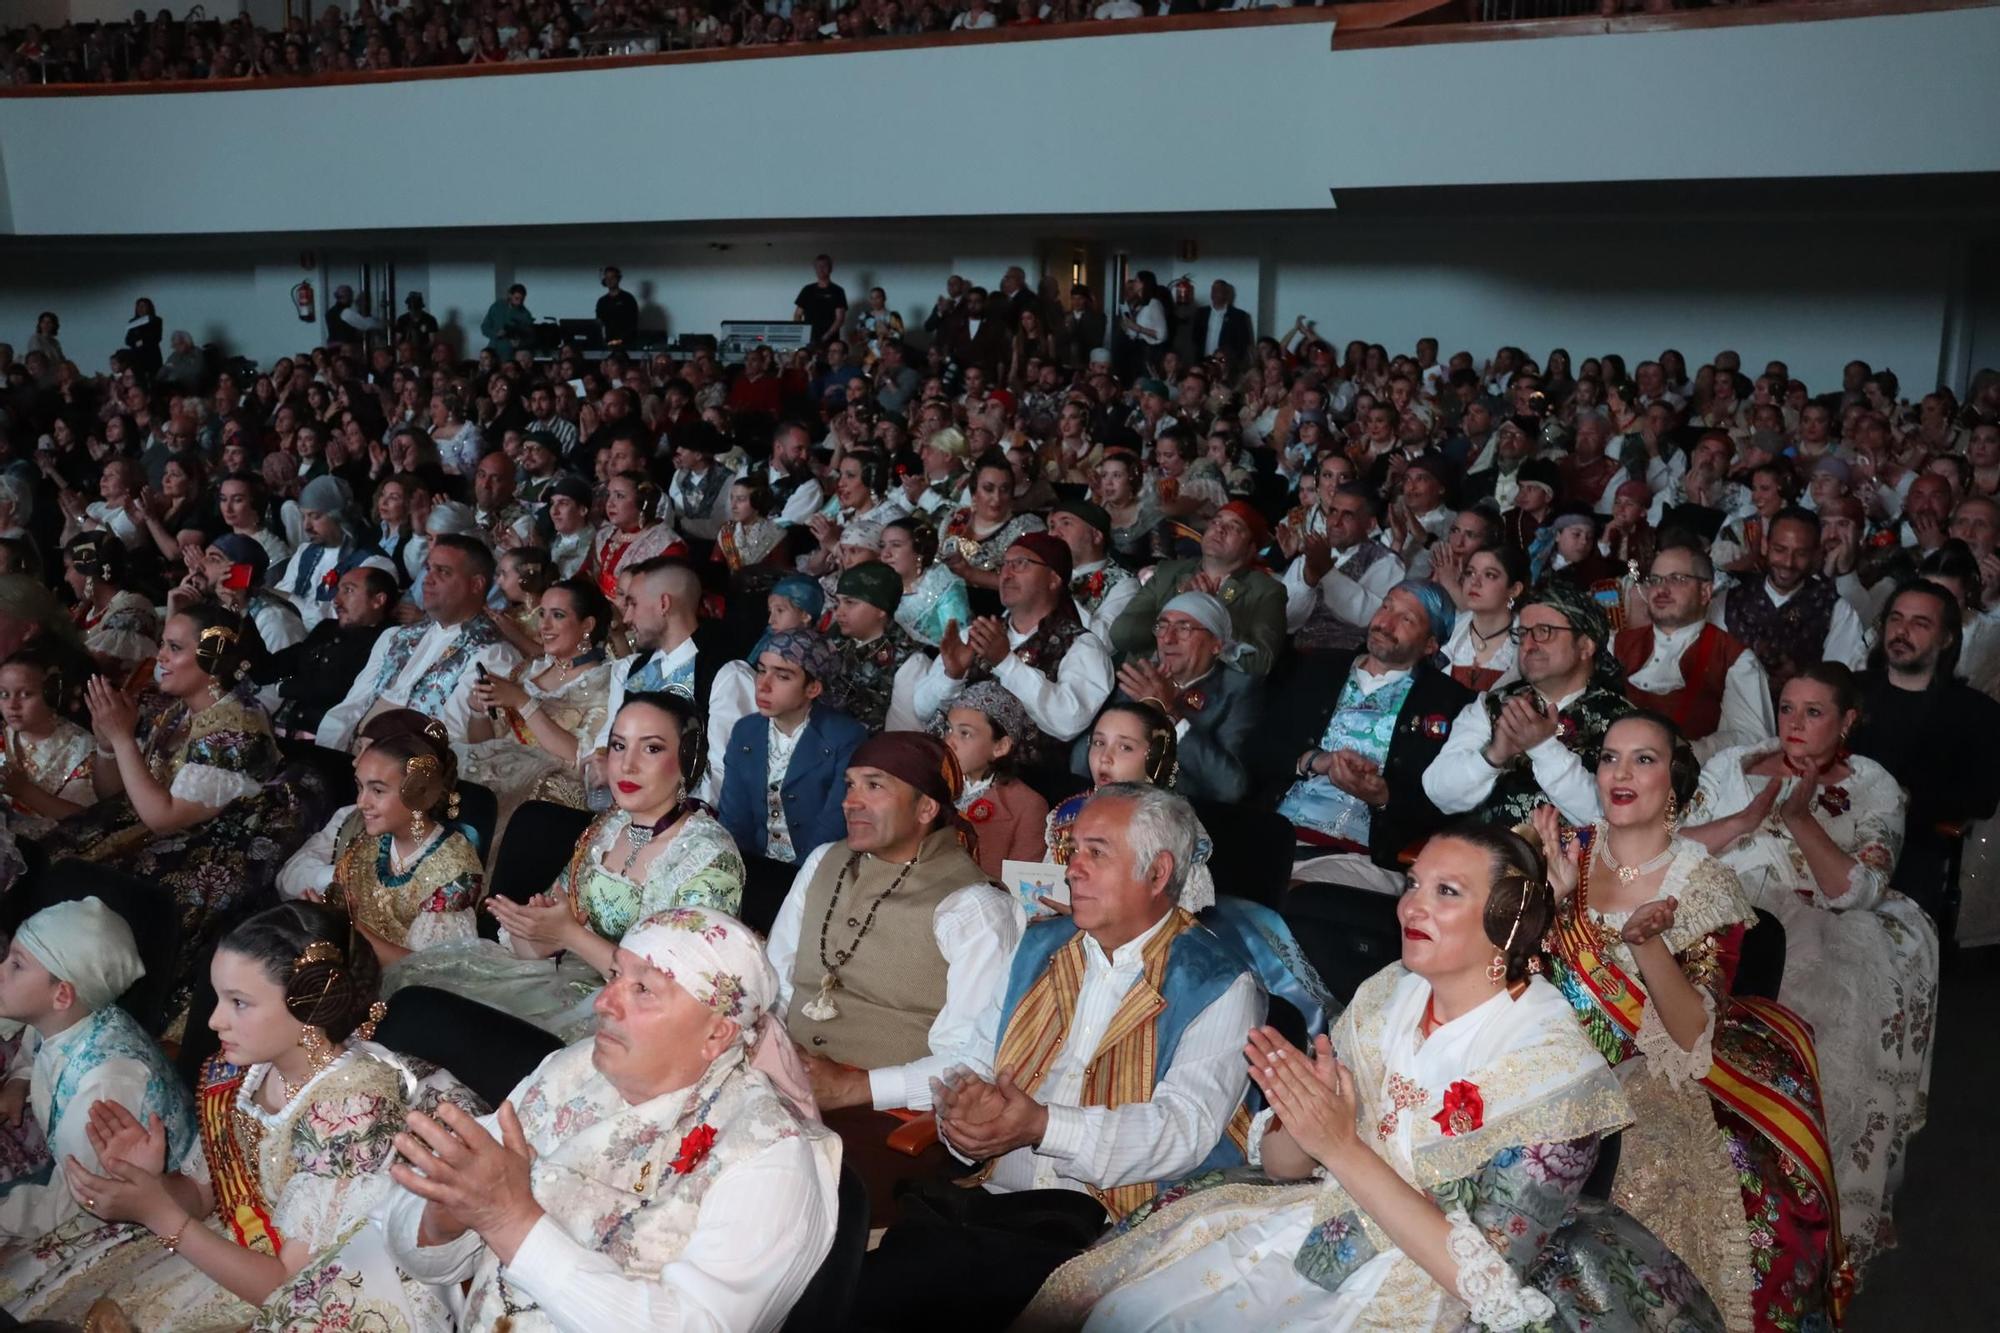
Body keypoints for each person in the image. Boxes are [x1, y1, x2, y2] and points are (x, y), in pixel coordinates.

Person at [1016, 821, 1723, 1333]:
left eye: (1445, 891)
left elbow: (1489, 1281)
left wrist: (1344, 1146)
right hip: (1323, 1220)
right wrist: (1306, 1123)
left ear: (1508, 922)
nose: (1411, 905)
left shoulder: (1552, 1061)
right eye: (1414, 884)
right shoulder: (1389, 992)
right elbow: (1283, 1163)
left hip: (1443, 1278)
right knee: (1126, 1310)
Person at [857, 782, 1266, 1332]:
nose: (1073, 868)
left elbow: (1181, 1133)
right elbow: (973, 1060)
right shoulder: (1038, 945)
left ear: (1158, 872)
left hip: (1117, 1231)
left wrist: (1042, 1127)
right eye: (1073, 850)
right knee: (868, 1295)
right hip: (990, 1202)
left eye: (1097, 852)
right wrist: (964, 1117)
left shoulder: (1219, 984)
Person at [0, 903, 463, 1330]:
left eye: (238, 1002)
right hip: (235, 1245)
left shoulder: (348, 1111)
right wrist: (152, 1183)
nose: (213, 1021)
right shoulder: (239, 1072)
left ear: (311, 1006)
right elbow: (205, 1195)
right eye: (219, 998)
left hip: (312, 1283)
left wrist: (161, 1216)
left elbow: (291, 1287)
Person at [381, 909, 840, 1333]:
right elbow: (421, 1249)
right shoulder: (572, 1070)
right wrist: (444, 1217)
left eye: (644, 989)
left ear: (717, 1033)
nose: (604, 1002)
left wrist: (508, 1220)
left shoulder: (766, 1156)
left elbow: (699, 1325)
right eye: (616, 974)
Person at [1537, 716, 1844, 1331]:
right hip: (1540, 1055)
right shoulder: (1559, 846)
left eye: (1643, 759)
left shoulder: (1703, 884)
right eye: (1609, 758)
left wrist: (1647, 946)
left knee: (1634, 1188)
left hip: (1650, 1080)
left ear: (1673, 781)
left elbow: (1688, 1038)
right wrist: (1553, 898)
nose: (1620, 772)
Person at [1683, 663, 1936, 1270]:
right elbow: (1679, 845)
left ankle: (1810, 1198)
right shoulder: (1734, 765)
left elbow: (1859, 889)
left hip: (1822, 917)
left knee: (1831, 1008)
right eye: (1788, 708)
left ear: (1848, 720)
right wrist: (1747, 821)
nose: (1794, 724)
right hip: (1724, 903)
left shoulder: (1874, 784)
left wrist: (1799, 818)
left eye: (1814, 712)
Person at [388, 692, 744, 1040]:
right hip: (557, 986)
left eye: (651, 748)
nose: (627, 764)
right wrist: (534, 932)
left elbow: (677, 992)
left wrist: (570, 935)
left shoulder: (709, 857)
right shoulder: (609, 827)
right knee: (419, 1001)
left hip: (638, 1028)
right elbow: (542, 945)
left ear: (689, 761)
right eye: (619, 746)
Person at [40, 606, 294, 1020]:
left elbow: (162, 816)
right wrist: (107, 741)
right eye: (163, 644)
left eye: (174, 648)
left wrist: (123, 738)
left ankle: (78, 1001)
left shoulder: (237, 727)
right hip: (154, 830)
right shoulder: (175, 709)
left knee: (82, 877)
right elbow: (113, 793)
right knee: (53, 851)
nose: (159, 657)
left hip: (204, 851)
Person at [766, 732, 1019, 1116]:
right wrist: (773, 1052)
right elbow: (775, 982)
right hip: (784, 1081)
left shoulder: (974, 908)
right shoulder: (823, 862)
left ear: (926, 808)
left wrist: (857, 1087)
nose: (850, 802)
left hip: (886, 1117)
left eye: (874, 786)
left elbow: (972, 1059)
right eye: (850, 785)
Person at [0, 898, 195, 1242]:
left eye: (16, 965)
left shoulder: (102, 1086)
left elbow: (79, 1196)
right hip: (74, 1165)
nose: (1, 970)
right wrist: (19, 1080)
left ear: (62, 994)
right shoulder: (71, 1018)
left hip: (120, 1204)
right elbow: (38, 1040)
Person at [1263, 580, 1473, 890]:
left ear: (1430, 645)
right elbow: (1257, 748)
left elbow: (1446, 808)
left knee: (1291, 893)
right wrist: (1314, 761)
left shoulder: (1449, 704)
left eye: (1406, 619)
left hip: (1360, 855)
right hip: (1276, 833)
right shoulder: (1317, 668)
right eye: (1386, 606)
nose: (1385, 623)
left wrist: (1383, 797)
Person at [1848, 578, 2000, 928]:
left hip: (1913, 842)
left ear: (1946, 638)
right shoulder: (1849, 690)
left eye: (1920, 623)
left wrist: (1904, 800)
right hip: (1836, 825)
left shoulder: (1977, 713)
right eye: (1896, 619)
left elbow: (1982, 799)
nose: (1902, 631)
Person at [1424, 581, 1632, 826]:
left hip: (1570, 861)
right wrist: (1494, 755)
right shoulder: (1492, 704)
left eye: (1544, 631)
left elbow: (1611, 816)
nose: (1529, 645)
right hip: (1482, 857)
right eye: (1522, 634)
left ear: (1585, 645)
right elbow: (1438, 792)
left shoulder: (1625, 722)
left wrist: (1542, 747)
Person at [917, 533, 1115, 765]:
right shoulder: (975, 634)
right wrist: (952, 676)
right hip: (941, 766)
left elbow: (1068, 722)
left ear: (1053, 579)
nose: (1006, 574)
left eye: (1020, 564)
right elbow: (921, 710)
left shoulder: (1082, 647)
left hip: (1018, 785)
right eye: (1004, 565)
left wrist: (1006, 663)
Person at [316, 534, 523, 751]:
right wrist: (327, 756)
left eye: (443, 572)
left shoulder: (491, 653)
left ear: (476, 584)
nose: (427, 579)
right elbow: (351, 708)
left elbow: (455, 740)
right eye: (428, 568)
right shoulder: (394, 637)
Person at [459, 575, 616, 831]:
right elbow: (484, 746)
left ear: (587, 625)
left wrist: (523, 702)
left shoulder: (605, 683)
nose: (544, 625)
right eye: (542, 614)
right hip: (494, 781)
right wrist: (478, 710)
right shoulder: (528, 670)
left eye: (558, 615)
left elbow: (579, 758)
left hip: (544, 801)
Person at [325, 729, 484, 970]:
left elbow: (430, 971)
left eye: (377, 791)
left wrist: (350, 928)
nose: (361, 802)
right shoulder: (366, 841)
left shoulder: (454, 869)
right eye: (360, 787)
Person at [1089, 590, 1260, 804]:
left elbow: (1230, 787)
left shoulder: (1237, 690)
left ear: (1216, 644)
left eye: (1184, 628)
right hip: (1118, 801)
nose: (1167, 639)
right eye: (1162, 627)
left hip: (1185, 815)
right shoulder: (1142, 678)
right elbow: (1080, 763)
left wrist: (1169, 713)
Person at [718, 631, 866, 865]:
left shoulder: (844, 738)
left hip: (816, 870)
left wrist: (796, 880)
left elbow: (833, 826)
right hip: (754, 866)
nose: (763, 685)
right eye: (762, 670)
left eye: (783, 676)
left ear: (813, 689)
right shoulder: (745, 731)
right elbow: (733, 819)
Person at [1616, 541, 1774, 761]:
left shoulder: (1735, 659)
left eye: (1677, 579)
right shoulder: (1616, 645)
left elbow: (1754, 741)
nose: (1661, 589)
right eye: (1655, 580)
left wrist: (1691, 751)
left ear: (1705, 592)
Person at [1710, 507, 1869, 705]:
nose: (1788, 562)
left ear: (1817, 554)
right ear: (1766, 545)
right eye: (1780, 549)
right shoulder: (1729, 600)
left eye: (1800, 553)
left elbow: (1844, 683)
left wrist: (1801, 678)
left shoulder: (1835, 608)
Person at [1114, 501, 1287, 675]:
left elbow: (1262, 663)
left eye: (1234, 527)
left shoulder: (1267, 591)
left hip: (1209, 694)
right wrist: (1177, 606)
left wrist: (1213, 611)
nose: (1220, 529)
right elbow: (1121, 634)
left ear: (1251, 548)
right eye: (1216, 522)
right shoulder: (1167, 572)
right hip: (1148, 679)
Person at [250, 564, 393, 737]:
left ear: (378, 600)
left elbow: (337, 688)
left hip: (329, 744)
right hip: (286, 732)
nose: (336, 600)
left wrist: (285, 687)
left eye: (348, 590)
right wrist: (242, 612)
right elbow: (265, 671)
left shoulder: (389, 642)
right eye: (338, 590)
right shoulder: (327, 628)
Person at [936, 681, 1052, 883]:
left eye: (965, 733)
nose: (949, 742)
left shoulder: (1026, 806)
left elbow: (1020, 891)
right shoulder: (930, 785)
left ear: (1000, 747)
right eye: (949, 729)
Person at [0, 643, 96, 831]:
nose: (12, 704)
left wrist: (24, 791)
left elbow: (88, 822)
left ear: (53, 694)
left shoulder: (80, 749)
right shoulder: (4, 734)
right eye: (4, 694)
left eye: (25, 694)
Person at [829, 562, 928, 733]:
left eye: (850, 602)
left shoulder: (908, 662)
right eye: (838, 602)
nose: (839, 612)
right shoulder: (836, 637)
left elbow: (902, 736)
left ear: (881, 609)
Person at [62, 533, 159, 682]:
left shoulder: (133, 606)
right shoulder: (82, 611)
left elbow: (97, 664)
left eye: (68, 568)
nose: (66, 577)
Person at [1048, 498, 1138, 644]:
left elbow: (1105, 641)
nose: (1054, 534)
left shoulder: (1123, 583)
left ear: (1096, 536)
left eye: (1066, 523)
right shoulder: (1043, 574)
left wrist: (1060, 593)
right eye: (1052, 526)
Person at [1440, 540, 1524, 691]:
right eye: (1470, 572)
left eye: (1490, 575)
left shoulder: (1526, 641)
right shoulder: (1448, 631)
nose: (1475, 582)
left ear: (1514, 590)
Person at [884, 516, 971, 649]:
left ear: (919, 551)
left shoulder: (941, 585)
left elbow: (960, 643)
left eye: (896, 545)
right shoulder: (884, 589)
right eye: (882, 546)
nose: (885, 554)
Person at [792, 253, 849, 347]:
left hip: (831, 341)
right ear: (815, 269)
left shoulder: (838, 291)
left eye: (824, 266)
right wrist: (802, 334)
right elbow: (797, 314)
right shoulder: (807, 290)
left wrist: (825, 337)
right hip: (809, 340)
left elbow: (840, 319)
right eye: (818, 266)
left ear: (830, 268)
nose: (821, 269)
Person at [481, 282, 534, 361]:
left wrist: (519, 343)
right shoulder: (497, 306)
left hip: (510, 356)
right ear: (510, 295)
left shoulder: (526, 315)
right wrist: (496, 334)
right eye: (516, 298)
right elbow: (484, 327)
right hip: (492, 353)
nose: (519, 302)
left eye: (522, 300)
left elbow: (531, 338)